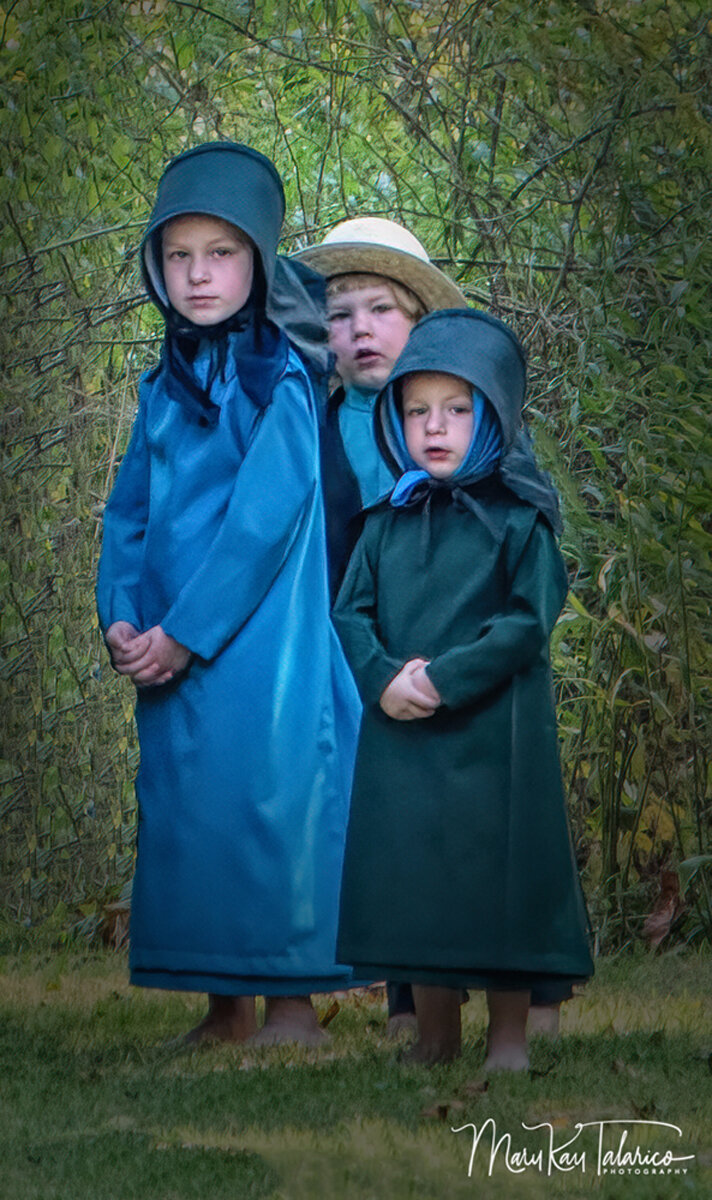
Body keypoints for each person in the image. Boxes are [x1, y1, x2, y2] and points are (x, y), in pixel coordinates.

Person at [96, 141, 360, 1046]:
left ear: (257, 260)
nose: (198, 275)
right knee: (191, 813)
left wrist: (188, 633)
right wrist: (124, 615)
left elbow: (264, 521)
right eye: (179, 255)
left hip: (260, 646)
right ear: (155, 264)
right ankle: (225, 1012)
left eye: (221, 253)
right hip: (169, 636)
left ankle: (291, 1007)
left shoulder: (280, 377)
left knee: (270, 805)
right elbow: (128, 511)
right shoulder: (163, 388)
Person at [333, 308, 593, 1066]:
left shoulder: (521, 522)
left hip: (494, 741)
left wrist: (444, 680)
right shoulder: (386, 520)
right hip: (404, 740)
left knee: (498, 890)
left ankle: (509, 1036)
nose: (434, 427)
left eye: (457, 408)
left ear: (494, 415)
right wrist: (383, 680)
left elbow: (524, 623)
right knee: (421, 890)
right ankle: (436, 1035)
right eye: (418, 411)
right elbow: (349, 611)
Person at [295, 217, 466, 1033]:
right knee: (379, 816)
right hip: (344, 648)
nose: (359, 330)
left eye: (381, 309)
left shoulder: (446, 425)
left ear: (420, 325)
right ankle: (400, 989)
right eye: (338, 314)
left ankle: (488, 982)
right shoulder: (314, 425)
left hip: (438, 643)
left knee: (450, 811)